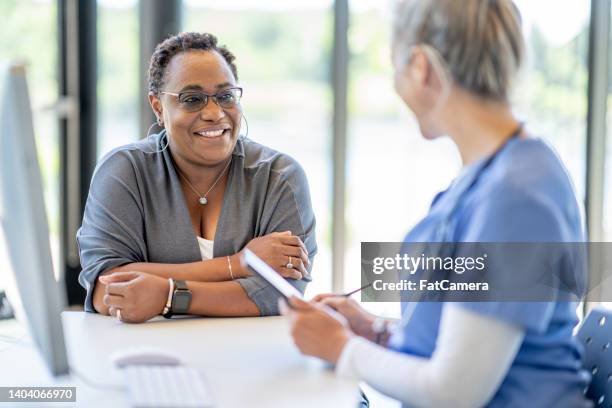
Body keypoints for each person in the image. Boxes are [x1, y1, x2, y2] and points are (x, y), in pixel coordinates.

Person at [282, 0, 591, 407]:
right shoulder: (495, 173)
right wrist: (374, 330)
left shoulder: (515, 199)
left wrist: (341, 348)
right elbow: (465, 340)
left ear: (421, 67)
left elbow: (453, 393)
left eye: (395, 65)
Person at [77, 32, 317, 323]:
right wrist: (238, 265)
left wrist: (165, 296)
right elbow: (107, 288)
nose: (215, 113)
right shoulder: (124, 172)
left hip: (251, 356)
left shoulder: (279, 177)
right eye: (192, 99)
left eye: (226, 96)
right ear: (158, 107)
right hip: (145, 355)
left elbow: (281, 292)